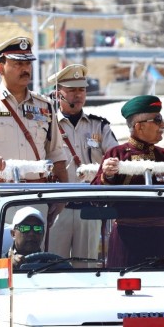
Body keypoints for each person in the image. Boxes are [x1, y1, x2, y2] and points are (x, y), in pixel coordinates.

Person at [92, 95, 164, 268]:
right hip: (129, 241)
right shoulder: (116, 155)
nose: (163, 125)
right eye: (158, 120)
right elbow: (95, 197)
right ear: (140, 126)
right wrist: (107, 176)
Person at [0, 36, 68, 184]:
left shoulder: (45, 105)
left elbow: (56, 154)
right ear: (0, 68)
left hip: (37, 193)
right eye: (18, 64)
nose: (25, 69)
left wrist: (60, 197)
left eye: (28, 63)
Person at [46, 64, 118, 262]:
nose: (77, 95)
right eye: (71, 91)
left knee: (86, 265)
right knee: (52, 266)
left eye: (81, 90)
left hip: (89, 207)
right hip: (57, 208)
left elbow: (115, 156)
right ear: (58, 94)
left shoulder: (99, 125)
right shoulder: (46, 125)